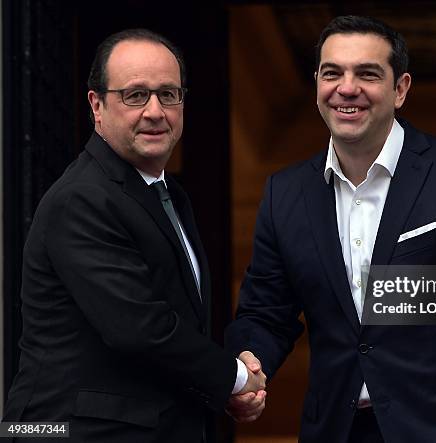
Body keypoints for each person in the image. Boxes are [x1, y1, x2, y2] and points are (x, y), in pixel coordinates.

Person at [225, 15, 436, 443]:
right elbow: (266, 312)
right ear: (317, 83)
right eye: (332, 73)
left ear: (400, 89)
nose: (347, 87)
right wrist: (247, 363)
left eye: (367, 73)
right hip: (335, 430)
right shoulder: (285, 193)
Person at [3, 29, 265, 442]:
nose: (155, 111)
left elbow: (180, 324)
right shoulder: (83, 198)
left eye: (169, 94)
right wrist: (235, 378)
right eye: (135, 95)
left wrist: (222, 386)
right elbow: (140, 328)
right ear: (97, 105)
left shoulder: (168, 195)